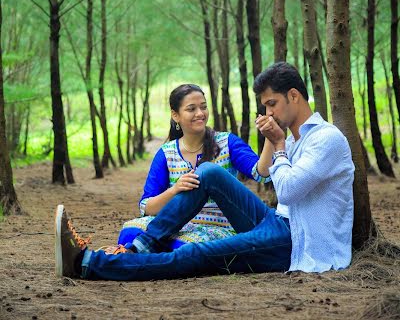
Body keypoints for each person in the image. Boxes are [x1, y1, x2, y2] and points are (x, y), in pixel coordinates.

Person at [55, 62, 355, 280]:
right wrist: (279, 143)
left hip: (295, 239)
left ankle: (88, 264)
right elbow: (147, 203)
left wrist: (276, 145)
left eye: (272, 104)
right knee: (209, 171)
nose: (268, 114)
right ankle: (140, 246)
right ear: (176, 116)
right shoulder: (294, 138)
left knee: (195, 255)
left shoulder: (325, 139)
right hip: (276, 220)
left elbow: (284, 188)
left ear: (294, 96)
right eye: (265, 107)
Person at [117, 83, 272, 250]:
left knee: (186, 247)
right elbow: (147, 208)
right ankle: (157, 251)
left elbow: (261, 174)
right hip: (174, 226)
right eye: (191, 109)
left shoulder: (227, 142)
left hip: (218, 229)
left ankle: (149, 251)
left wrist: (271, 138)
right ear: (175, 115)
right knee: (130, 230)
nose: (200, 114)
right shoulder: (166, 153)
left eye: (203, 107)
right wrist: (175, 189)